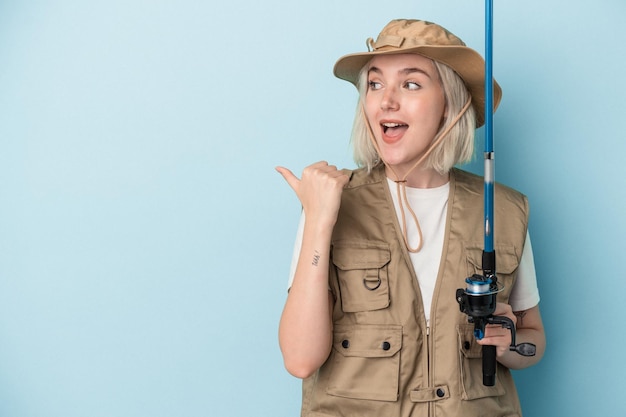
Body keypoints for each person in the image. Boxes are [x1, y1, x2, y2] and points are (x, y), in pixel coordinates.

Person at [276, 19, 545, 417]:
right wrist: (318, 221)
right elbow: (300, 359)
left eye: (411, 83)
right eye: (375, 84)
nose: (386, 101)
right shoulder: (331, 201)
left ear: (450, 106)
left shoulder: (504, 210)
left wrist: (508, 344)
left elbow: (533, 338)